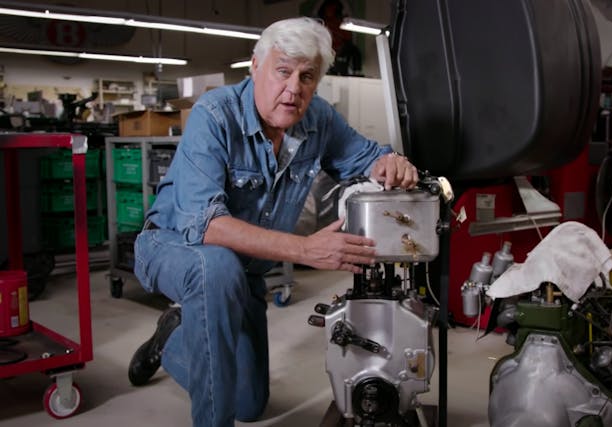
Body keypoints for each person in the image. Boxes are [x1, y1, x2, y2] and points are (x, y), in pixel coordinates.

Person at [128, 16, 419, 427]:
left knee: (250, 404)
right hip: (174, 247)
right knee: (216, 266)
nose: (294, 88)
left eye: (307, 77)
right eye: (283, 71)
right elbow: (206, 225)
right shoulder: (214, 114)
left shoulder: (318, 119)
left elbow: (368, 157)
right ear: (255, 66)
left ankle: (173, 337)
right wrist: (305, 249)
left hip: (244, 270)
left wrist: (392, 162)